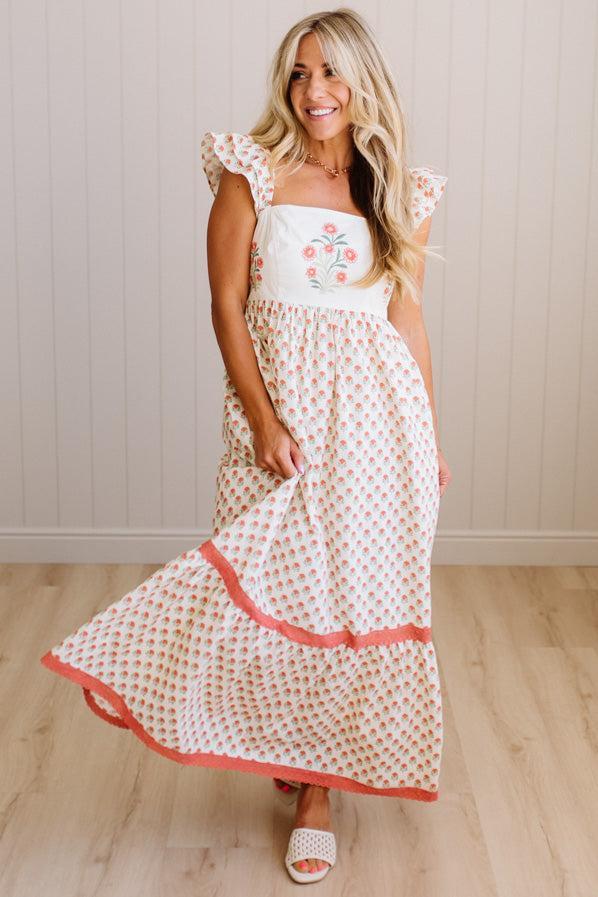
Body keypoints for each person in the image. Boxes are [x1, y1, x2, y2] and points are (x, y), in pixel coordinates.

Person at [40, 7, 451, 886]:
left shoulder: (398, 191)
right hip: (283, 423)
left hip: (378, 430)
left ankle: (315, 793)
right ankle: (284, 741)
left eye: (330, 71)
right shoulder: (251, 173)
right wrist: (264, 421)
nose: (313, 90)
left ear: (363, 80)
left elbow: (407, 320)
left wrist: (431, 435)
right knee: (267, 592)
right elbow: (227, 303)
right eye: (299, 73)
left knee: (348, 603)